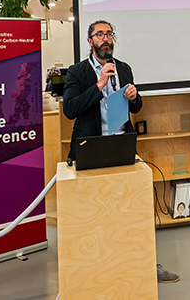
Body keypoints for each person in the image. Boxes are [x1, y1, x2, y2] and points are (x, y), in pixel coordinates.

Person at [63, 19, 180, 284]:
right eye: (99, 34)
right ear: (90, 41)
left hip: (122, 146)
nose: (105, 38)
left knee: (134, 211)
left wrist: (135, 96)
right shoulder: (77, 72)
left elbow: (135, 107)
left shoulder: (124, 68)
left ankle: (146, 265)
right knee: (95, 214)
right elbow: (70, 109)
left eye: (109, 34)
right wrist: (99, 85)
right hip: (91, 149)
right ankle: (98, 271)